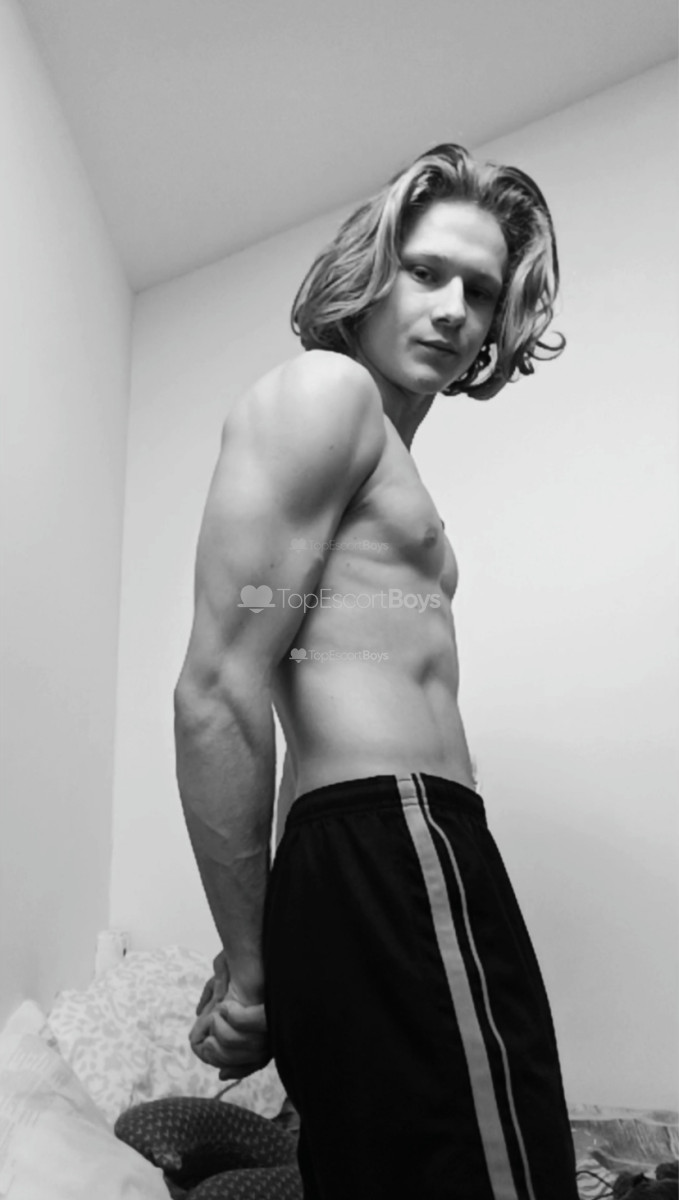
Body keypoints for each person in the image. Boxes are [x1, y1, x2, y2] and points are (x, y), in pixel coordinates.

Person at [174, 143, 578, 1198]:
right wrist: (250, 970)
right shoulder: (328, 394)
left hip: (391, 846)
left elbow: (299, 716)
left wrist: (270, 940)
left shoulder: (389, 465)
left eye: (478, 290)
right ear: (369, 273)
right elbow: (217, 689)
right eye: (426, 272)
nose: (453, 310)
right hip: (400, 840)